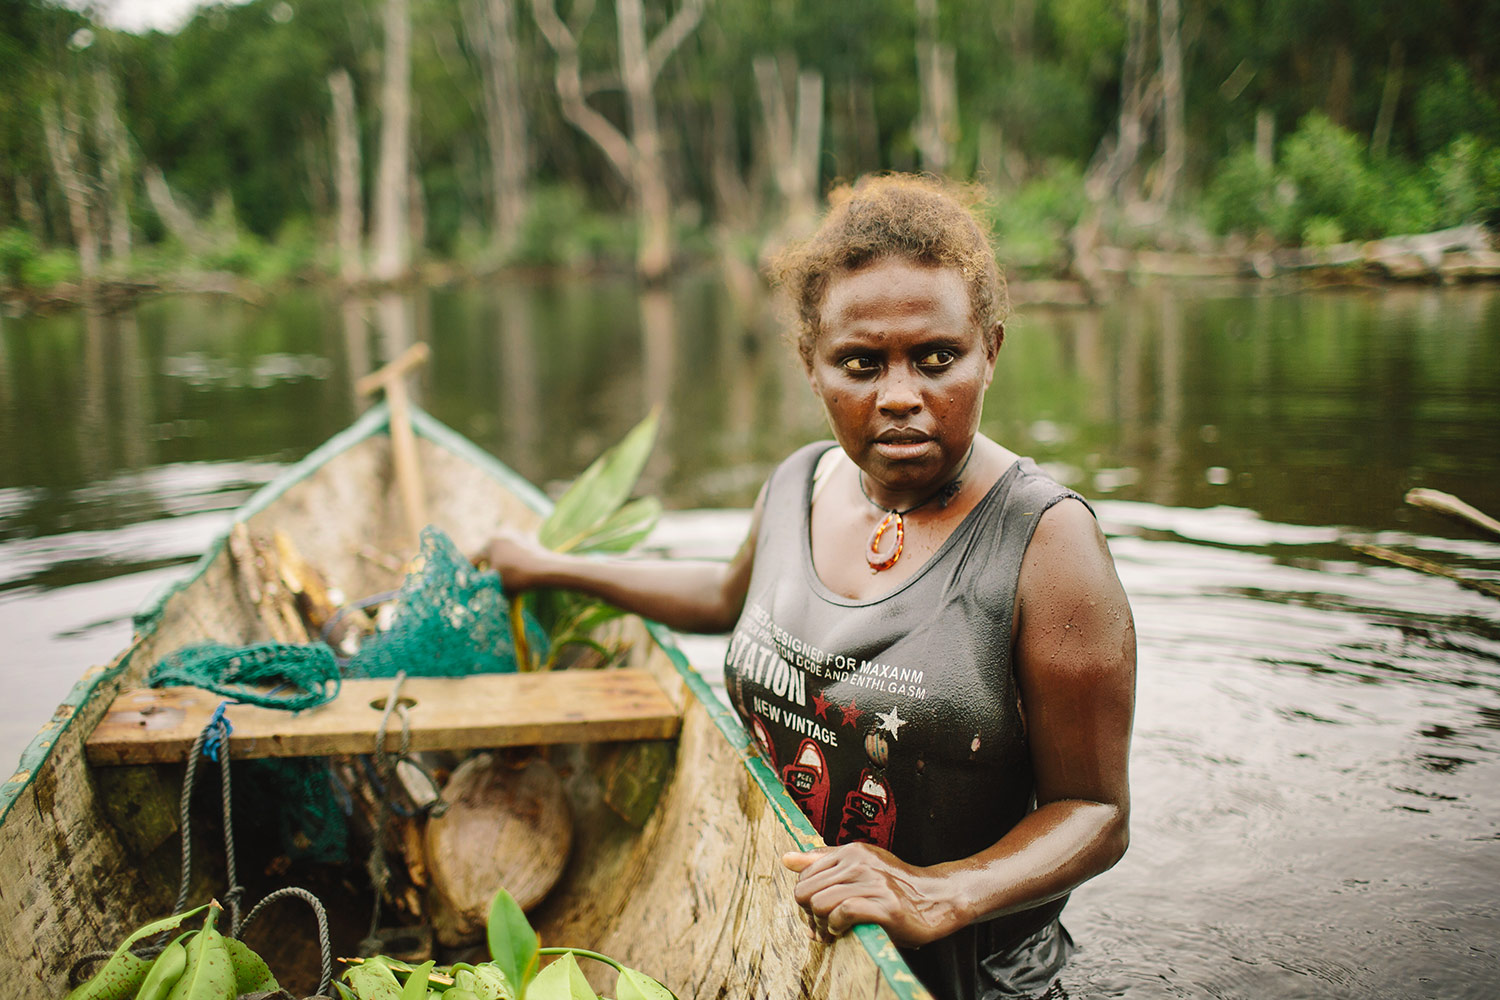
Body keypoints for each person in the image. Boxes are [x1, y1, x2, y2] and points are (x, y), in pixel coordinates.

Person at [478, 173, 1135, 1000]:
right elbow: (725, 597)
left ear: (991, 351)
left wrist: (938, 891)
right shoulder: (802, 481)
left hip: (979, 977)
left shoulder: (1047, 541)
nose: (901, 397)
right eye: (861, 364)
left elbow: (1096, 812)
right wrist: (550, 566)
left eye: (937, 359)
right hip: (801, 938)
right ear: (810, 365)